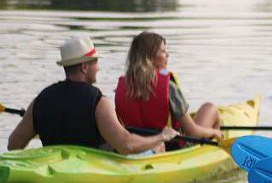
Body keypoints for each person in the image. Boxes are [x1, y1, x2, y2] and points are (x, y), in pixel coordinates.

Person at [7, 35, 176, 154]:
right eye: (95, 62)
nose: (98, 68)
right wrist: (162, 136)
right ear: (84, 67)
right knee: (158, 147)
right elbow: (127, 146)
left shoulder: (40, 100)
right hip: (94, 171)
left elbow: (13, 145)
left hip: (56, 167)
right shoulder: (99, 102)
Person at [114, 31, 221, 146]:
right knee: (210, 108)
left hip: (139, 144)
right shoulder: (169, 87)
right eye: (163, 51)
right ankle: (215, 144)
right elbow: (193, 132)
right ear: (150, 57)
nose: (167, 55)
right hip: (172, 146)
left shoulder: (124, 85)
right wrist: (214, 132)